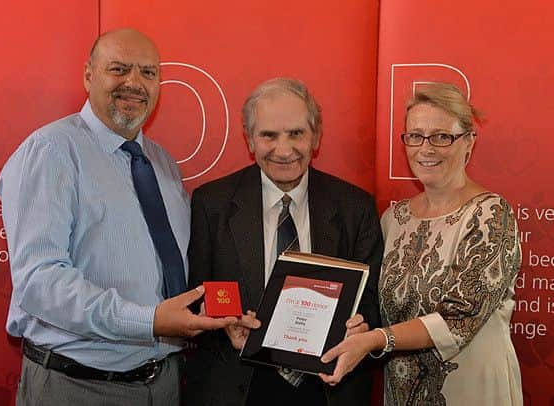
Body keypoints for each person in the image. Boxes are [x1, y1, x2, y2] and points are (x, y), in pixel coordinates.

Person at [0, 28, 235, 406]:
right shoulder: (51, 152)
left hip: (164, 383)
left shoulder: (162, 163)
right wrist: (148, 321)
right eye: (119, 69)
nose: (134, 83)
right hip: (77, 386)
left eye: (148, 73)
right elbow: (40, 282)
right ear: (89, 75)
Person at [184, 77, 384, 406]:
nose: (284, 149)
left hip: (326, 386)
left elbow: (372, 300)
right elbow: (200, 293)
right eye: (269, 135)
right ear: (250, 140)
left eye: (296, 133)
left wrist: (360, 325)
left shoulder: (354, 207)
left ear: (316, 136)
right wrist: (223, 324)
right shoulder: (213, 203)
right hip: (238, 385)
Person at [320, 83, 523, 405]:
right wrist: (358, 327)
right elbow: (375, 300)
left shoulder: (490, 214)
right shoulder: (394, 218)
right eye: (415, 136)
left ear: (469, 141)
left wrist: (375, 338)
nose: (426, 148)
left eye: (442, 136)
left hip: (469, 391)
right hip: (401, 393)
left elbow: (460, 318)